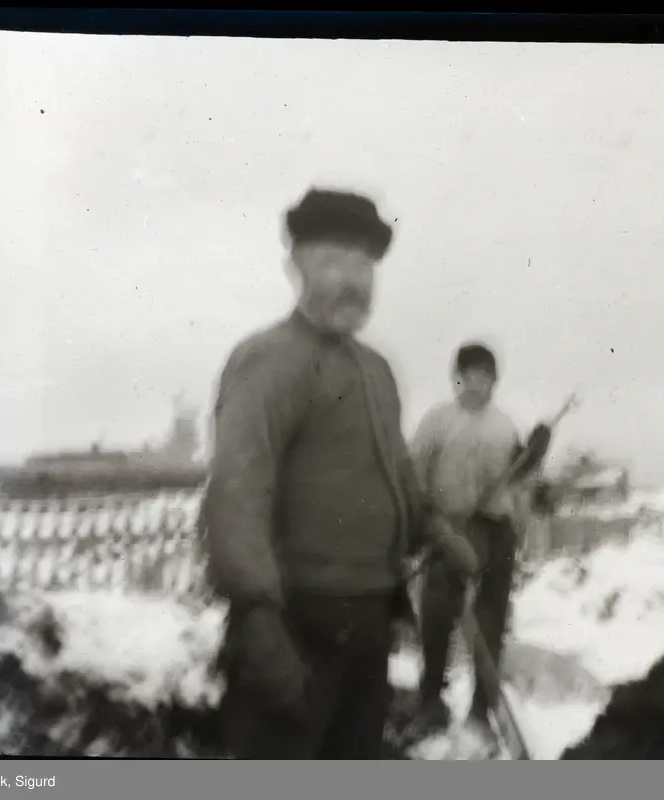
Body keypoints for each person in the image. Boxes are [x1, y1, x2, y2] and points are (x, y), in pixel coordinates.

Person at [202, 188, 479, 760]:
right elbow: (237, 495)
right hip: (295, 626)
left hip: (369, 621)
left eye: (363, 266)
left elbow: (397, 474)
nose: (352, 281)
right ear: (296, 268)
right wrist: (257, 618)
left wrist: (435, 531)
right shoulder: (268, 361)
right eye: (333, 261)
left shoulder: (376, 372)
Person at [402, 343, 553, 743]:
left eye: (485, 377)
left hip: (494, 530)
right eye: (469, 376)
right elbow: (414, 475)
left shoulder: (504, 426)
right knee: (436, 618)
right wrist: (425, 523)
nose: (477, 384)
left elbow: (520, 476)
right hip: (449, 529)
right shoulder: (437, 421)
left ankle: (481, 712)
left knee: (490, 621)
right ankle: (431, 703)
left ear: (494, 381)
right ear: (457, 378)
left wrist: (534, 454)